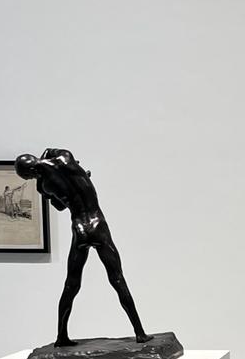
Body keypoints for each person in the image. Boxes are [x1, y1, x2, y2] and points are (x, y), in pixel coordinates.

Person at [15, 148, 151, 347]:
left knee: (71, 285)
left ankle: (61, 336)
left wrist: (42, 183)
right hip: (98, 225)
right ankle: (140, 333)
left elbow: (61, 206)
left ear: (31, 174)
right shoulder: (65, 158)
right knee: (117, 279)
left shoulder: (44, 185)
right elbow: (49, 151)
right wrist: (82, 176)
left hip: (80, 228)